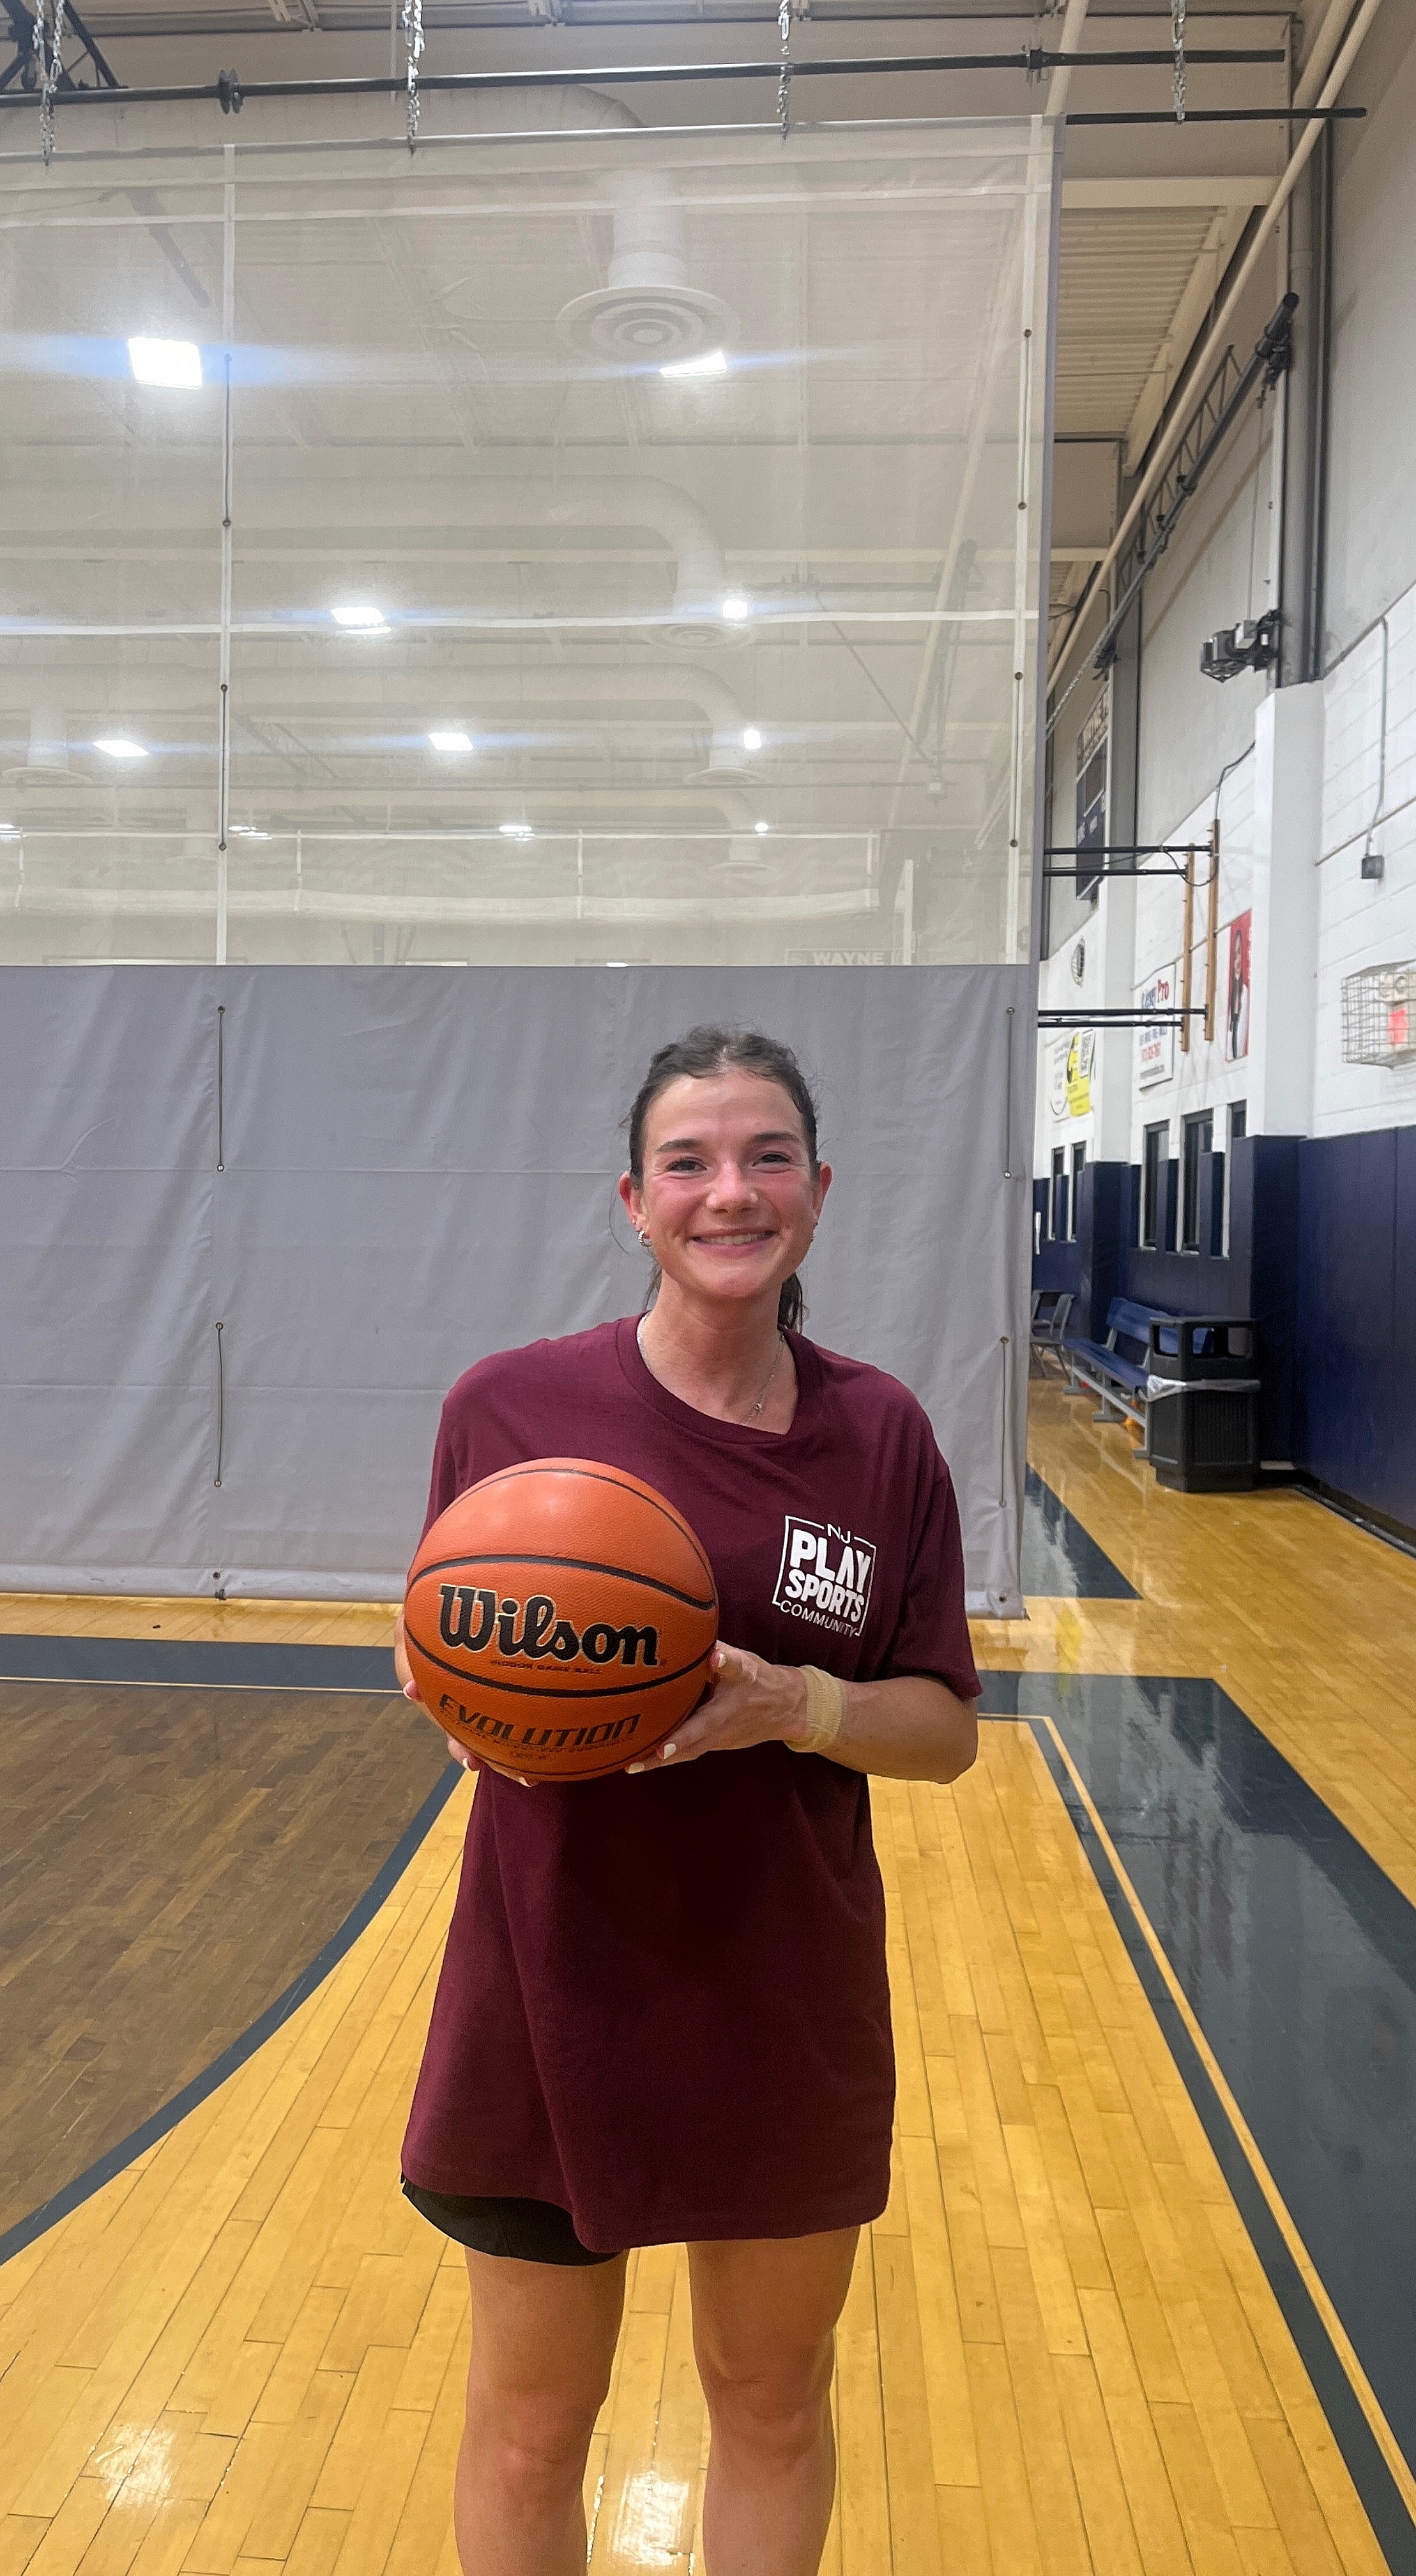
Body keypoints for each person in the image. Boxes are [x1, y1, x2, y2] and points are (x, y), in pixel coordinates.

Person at [392, 1025, 982, 2576]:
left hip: (777, 1985)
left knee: (772, 2397)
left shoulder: (882, 1435)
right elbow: (450, 1651)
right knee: (530, 2422)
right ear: (634, 1203)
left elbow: (944, 1732)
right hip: (548, 1972)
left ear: (820, 1189)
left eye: (766, 1155)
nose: (733, 1191)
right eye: (692, 1163)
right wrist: (465, 1701)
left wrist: (801, 1707)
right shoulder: (506, 1410)